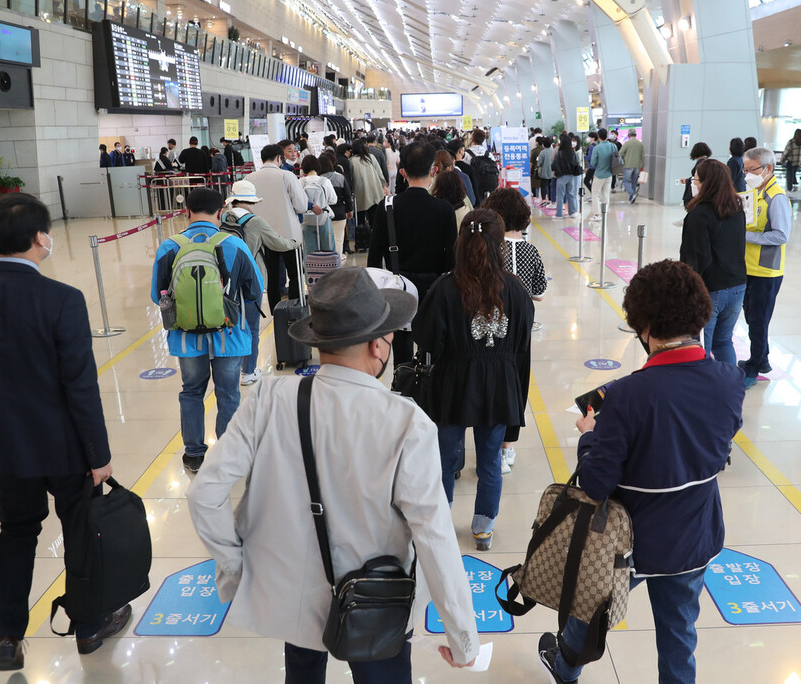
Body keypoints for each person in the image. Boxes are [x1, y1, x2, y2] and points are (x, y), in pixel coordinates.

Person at [188, 268, 480, 682]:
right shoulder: (407, 424)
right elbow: (434, 537)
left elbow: (204, 495)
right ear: (378, 345)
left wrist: (238, 571)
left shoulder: (269, 398)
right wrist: (462, 634)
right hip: (379, 604)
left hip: (292, 599)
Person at [0, 193, 129, 671]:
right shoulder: (63, 299)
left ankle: (6, 637)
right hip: (66, 448)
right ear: (40, 238)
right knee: (80, 532)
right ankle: (88, 628)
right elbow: (80, 386)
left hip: (7, 449)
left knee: (16, 534)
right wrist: (98, 453)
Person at [538, 259, 744, 684]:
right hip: (694, 536)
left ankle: (566, 667)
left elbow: (596, 482)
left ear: (644, 324)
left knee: (589, 615)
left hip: (627, 543)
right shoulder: (729, 379)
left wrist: (590, 435)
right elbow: (718, 442)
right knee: (679, 635)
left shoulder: (627, 396)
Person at [412, 208, 533, 550]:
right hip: (500, 386)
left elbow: (425, 336)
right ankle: (483, 528)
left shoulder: (446, 287)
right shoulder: (516, 290)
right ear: (500, 245)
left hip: (454, 383)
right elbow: (522, 342)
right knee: (490, 460)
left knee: (446, 458)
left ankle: (439, 523)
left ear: (461, 244)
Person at [150, 188, 263, 472]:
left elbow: (157, 295)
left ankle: (194, 455)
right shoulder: (234, 244)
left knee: (191, 392)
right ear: (220, 213)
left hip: (186, 338)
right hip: (229, 335)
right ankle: (228, 454)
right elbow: (255, 290)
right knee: (228, 393)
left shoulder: (169, 246)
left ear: (186, 212)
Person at [368, 142, 457, 365]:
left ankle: (404, 388)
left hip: (398, 288)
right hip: (434, 289)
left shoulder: (386, 207)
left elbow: (374, 258)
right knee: (434, 347)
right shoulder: (444, 210)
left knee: (401, 351)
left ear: (402, 172)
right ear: (433, 170)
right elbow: (453, 259)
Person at [483, 189, 546, 473]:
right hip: (521, 327)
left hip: (489, 320)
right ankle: (507, 449)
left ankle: (487, 440)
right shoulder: (531, 250)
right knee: (516, 380)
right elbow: (540, 293)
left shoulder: (487, 247)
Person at [220, 180, 300, 385]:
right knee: (251, 328)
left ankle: (232, 369)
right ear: (251, 202)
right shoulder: (256, 221)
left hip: (223, 282)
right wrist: (296, 242)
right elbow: (278, 243)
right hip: (249, 282)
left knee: (230, 325)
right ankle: (248, 372)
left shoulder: (222, 219)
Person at [680, 159, 747, 365]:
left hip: (711, 289)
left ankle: (703, 393)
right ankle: (729, 388)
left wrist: (687, 292)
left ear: (706, 182)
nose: (694, 183)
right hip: (737, 284)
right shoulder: (737, 208)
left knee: (702, 348)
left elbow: (696, 257)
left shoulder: (699, 214)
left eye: (697, 179)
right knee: (724, 341)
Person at [740, 147, 792, 388]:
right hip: (749, 267)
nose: (747, 174)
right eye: (746, 169)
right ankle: (762, 360)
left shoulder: (776, 197)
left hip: (766, 271)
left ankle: (753, 367)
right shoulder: (756, 192)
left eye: (752, 170)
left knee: (759, 320)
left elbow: (781, 235)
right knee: (752, 317)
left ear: (768, 169)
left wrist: (746, 237)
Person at [247, 144, 321, 312]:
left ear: (262, 158)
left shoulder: (250, 178)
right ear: (279, 158)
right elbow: (302, 206)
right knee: (295, 275)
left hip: (264, 236)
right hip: (289, 236)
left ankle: (276, 311)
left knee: (272, 277)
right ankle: (295, 308)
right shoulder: (286, 176)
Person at [299, 154, 337, 255]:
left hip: (306, 219)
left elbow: (298, 200)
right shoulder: (325, 181)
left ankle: (310, 271)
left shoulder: (301, 182)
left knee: (309, 253)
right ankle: (329, 271)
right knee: (328, 250)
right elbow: (333, 200)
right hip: (323, 217)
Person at [319, 152, 354, 258]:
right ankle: (337, 262)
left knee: (324, 241)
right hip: (339, 213)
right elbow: (347, 196)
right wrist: (349, 210)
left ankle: (327, 264)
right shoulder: (340, 178)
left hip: (322, 214)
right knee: (338, 240)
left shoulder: (318, 180)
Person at [350, 138, 388, 229]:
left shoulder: (351, 161)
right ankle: (374, 238)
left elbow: (351, 179)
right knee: (374, 221)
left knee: (360, 221)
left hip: (360, 194)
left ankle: (363, 239)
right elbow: (380, 174)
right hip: (375, 193)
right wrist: (383, 185)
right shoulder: (371, 157)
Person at [551, 133, 582, 218]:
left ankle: (559, 214)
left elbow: (554, 164)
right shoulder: (573, 153)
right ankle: (572, 212)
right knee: (571, 194)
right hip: (571, 176)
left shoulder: (559, 153)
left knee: (560, 195)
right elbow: (577, 163)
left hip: (561, 176)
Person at [589, 128, 618, 220]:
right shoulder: (613, 146)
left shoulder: (597, 148)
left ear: (598, 137)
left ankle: (597, 214)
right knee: (606, 194)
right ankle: (604, 212)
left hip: (599, 174)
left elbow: (593, 163)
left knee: (595, 194)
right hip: (609, 174)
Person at [620, 129, 644, 203]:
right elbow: (643, 156)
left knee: (626, 181)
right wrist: (642, 166)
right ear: (636, 135)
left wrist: (623, 159)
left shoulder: (627, 143)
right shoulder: (640, 144)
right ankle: (632, 198)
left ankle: (632, 194)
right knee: (634, 182)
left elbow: (620, 153)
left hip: (628, 165)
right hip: (637, 166)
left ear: (628, 135)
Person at [537, 137, 556, 208]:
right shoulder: (553, 151)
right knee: (551, 187)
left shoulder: (543, 152)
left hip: (544, 173)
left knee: (543, 186)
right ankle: (551, 200)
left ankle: (544, 200)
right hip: (552, 172)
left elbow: (539, 163)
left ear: (543, 144)